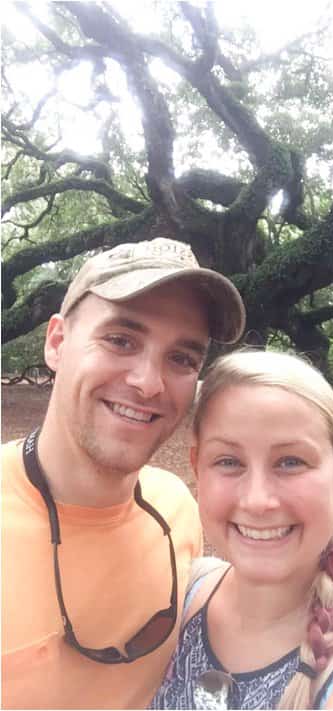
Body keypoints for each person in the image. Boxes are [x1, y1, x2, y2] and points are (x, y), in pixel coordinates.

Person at [1, 238, 245, 708]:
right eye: (120, 340)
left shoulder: (176, 507)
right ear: (57, 342)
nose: (148, 383)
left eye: (182, 358)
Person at [151, 350, 333, 709]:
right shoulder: (186, 594)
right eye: (229, 461)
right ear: (197, 467)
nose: (257, 501)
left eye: (290, 462)